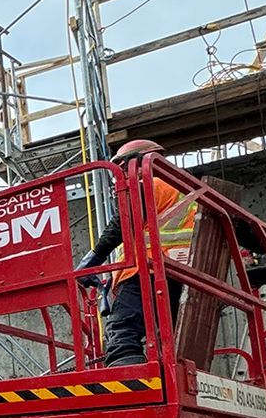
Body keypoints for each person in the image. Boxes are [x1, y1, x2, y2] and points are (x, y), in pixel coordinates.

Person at [76, 139, 196, 367]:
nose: (119, 177)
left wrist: (92, 260)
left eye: (122, 169)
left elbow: (123, 221)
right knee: (162, 335)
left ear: (137, 163)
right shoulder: (186, 192)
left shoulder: (150, 183)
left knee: (122, 329)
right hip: (179, 274)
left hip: (148, 271)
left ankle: (130, 380)